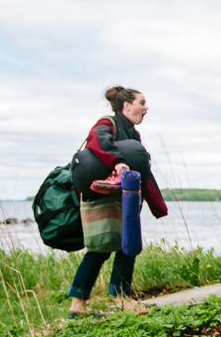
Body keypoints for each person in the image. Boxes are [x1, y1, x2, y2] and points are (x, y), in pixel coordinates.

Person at [66, 86, 168, 318]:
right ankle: (77, 305)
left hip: (124, 196)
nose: (146, 107)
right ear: (127, 105)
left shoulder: (133, 133)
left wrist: (154, 204)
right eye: (142, 102)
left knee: (127, 247)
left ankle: (123, 299)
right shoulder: (107, 122)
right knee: (100, 247)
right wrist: (117, 161)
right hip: (101, 194)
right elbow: (97, 141)